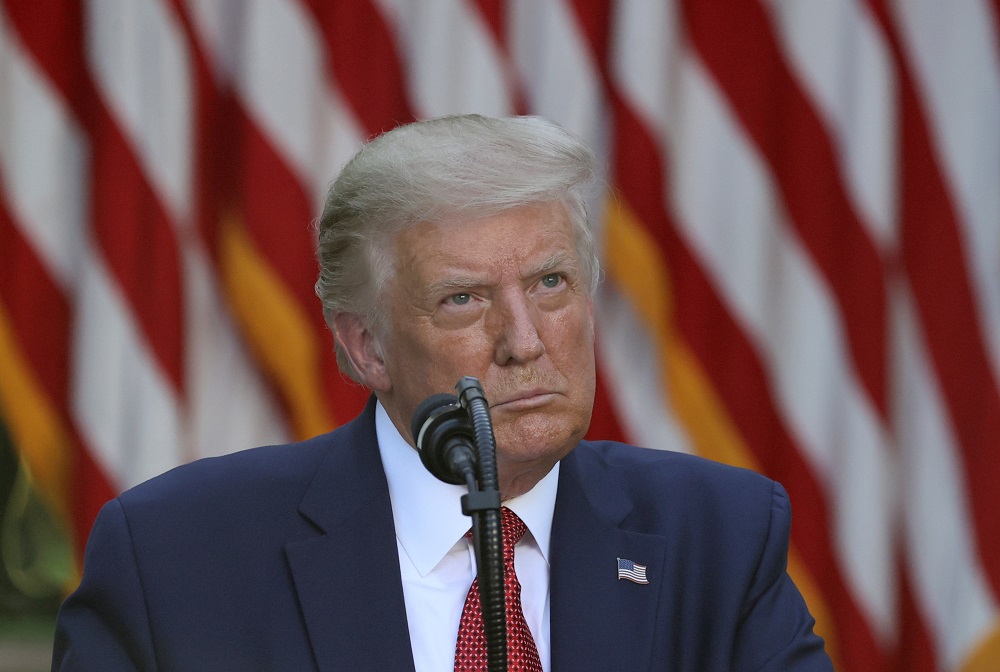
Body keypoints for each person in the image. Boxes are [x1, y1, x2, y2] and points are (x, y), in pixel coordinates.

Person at [52, 114, 833, 671]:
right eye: (464, 299)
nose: (525, 340)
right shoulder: (176, 559)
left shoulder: (720, 538)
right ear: (366, 346)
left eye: (551, 283)